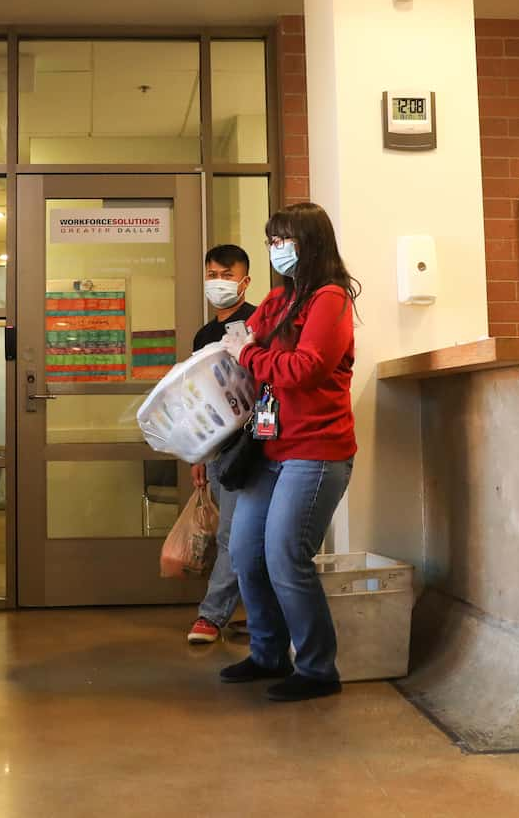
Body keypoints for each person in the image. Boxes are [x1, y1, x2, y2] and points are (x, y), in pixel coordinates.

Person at [218, 202, 358, 703]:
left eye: (284, 241)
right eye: (271, 240)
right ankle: (267, 654)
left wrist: (248, 353)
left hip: (316, 452)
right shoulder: (281, 301)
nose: (276, 250)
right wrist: (238, 345)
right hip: (270, 449)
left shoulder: (330, 299)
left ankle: (318, 668)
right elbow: (246, 341)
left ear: (310, 244)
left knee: (285, 555)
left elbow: (305, 368)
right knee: (245, 553)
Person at [186, 245, 256, 645]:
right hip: (218, 446)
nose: (218, 282)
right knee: (234, 535)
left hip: (256, 446)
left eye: (226, 275)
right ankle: (261, 612)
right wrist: (198, 453)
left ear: (245, 281)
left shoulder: (261, 323)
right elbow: (198, 398)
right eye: (212, 274)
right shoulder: (205, 335)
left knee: (235, 534)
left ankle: (211, 616)